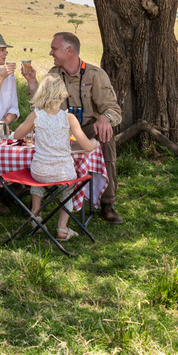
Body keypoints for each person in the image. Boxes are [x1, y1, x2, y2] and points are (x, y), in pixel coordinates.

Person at [34, 31, 124, 224]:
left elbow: (112, 108)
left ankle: (107, 203)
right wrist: (32, 83)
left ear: (69, 50)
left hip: (88, 128)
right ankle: (23, 191)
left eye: (54, 49)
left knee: (106, 136)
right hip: (61, 129)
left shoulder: (95, 74)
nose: (51, 53)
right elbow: (40, 105)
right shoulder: (53, 75)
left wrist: (105, 118)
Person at [11, 74, 99, 240]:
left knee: (38, 182)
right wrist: (94, 142)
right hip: (63, 173)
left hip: (39, 171)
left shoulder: (36, 116)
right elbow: (86, 146)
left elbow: (16, 135)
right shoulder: (69, 118)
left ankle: (36, 217)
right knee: (67, 190)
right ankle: (62, 228)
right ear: (62, 95)